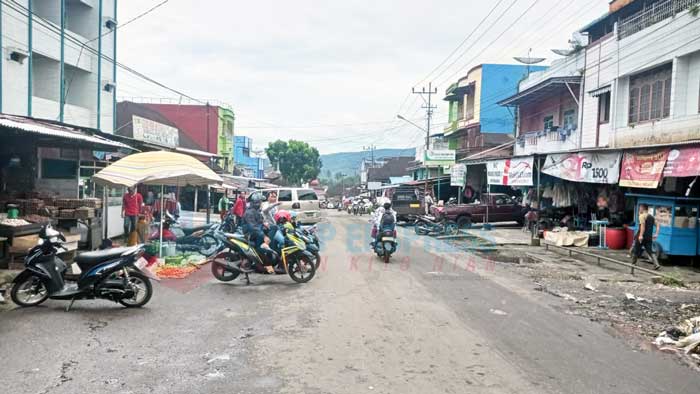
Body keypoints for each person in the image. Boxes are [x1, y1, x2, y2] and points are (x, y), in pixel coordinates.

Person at [632, 203, 660, 270]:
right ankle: (656, 264)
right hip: (649, 237)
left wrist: (641, 235)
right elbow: (658, 225)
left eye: (640, 208)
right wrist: (656, 234)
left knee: (636, 249)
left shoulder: (642, 216)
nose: (639, 209)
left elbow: (643, 226)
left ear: (642, 208)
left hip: (642, 236)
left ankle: (633, 264)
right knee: (650, 250)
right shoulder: (651, 217)